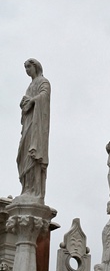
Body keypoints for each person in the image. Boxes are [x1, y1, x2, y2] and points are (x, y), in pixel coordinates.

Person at [17, 59, 51, 200]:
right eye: (25, 68)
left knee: (33, 155)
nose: (27, 70)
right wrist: (24, 104)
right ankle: (26, 188)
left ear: (35, 67)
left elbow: (44, 96)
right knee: (22, 155)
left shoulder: (43, 82)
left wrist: (32, 101)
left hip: (37, 124)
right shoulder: (30, 85)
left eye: (28, 67)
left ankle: (35, 191)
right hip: (28, 123)